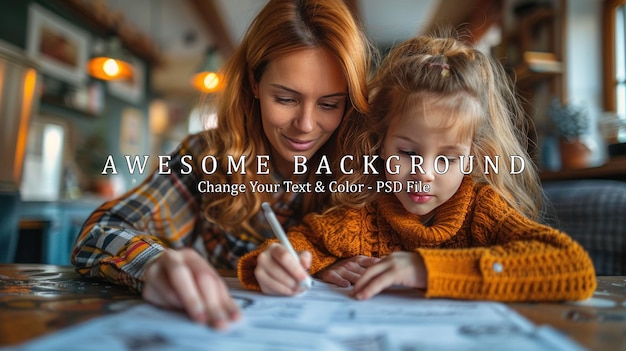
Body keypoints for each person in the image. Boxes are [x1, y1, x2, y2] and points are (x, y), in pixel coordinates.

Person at [72, 0, 375, 329]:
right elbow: (98, 233)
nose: (305, 124)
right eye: (286, 99)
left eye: (329, 104)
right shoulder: (207, 157)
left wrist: (326, 264)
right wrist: (153, 265)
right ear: (254, 83)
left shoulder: (374, 161)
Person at [238, 29, 597, 302]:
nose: (424, 173)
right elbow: (290, 250)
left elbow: (573, 266)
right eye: (407, 152)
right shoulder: (364, 217)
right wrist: (274, 262)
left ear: (474, 156)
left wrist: (425, 269)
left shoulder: (483, 211)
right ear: (379, 144)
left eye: (447, 158)